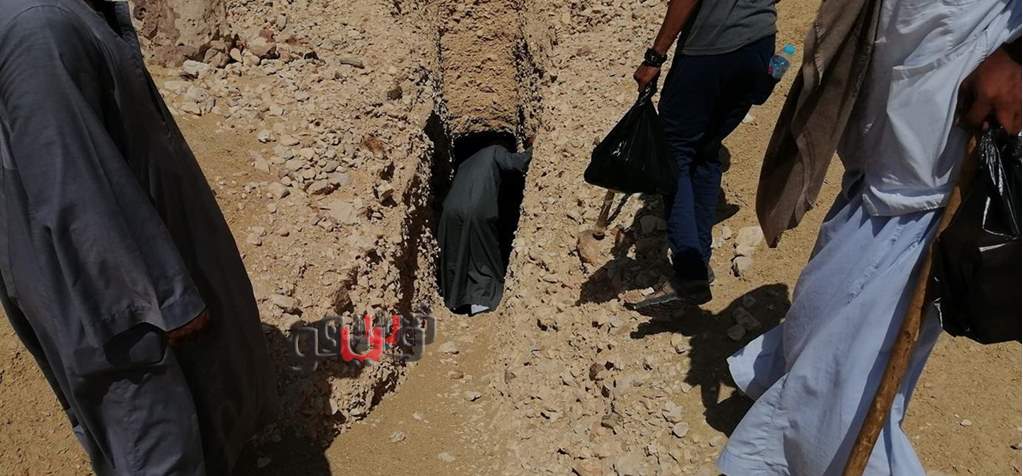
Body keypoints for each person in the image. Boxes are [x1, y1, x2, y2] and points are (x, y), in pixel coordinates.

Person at [719, 0, 1020, 473]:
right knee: (853, 237)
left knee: (881, 291)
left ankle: (817, 444)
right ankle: (798, 397)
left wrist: (1017, 58)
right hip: (901, 48)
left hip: (962, 50)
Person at [0, 0, 277, 473]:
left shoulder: (62, 14)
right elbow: (75, 197)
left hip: (120, 290)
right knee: (158, 444)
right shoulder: (39, 29)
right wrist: (161, 302)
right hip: (118, 314)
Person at [627, 0, 779, 308]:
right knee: (706, 152)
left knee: (674, 154)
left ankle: (689, 270)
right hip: (760, 45)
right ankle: (699, 264)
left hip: (710, 49)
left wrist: (655, 57)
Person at [438, 140, 532, 316]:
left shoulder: (465, 164)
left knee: (457, 254)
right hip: (476, 209)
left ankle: (456, 300)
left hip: (449, 212)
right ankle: (482, 301)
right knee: (483, 252)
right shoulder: (495, 150)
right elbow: (515, 162)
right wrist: (535, 148)